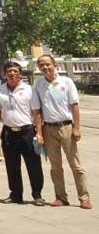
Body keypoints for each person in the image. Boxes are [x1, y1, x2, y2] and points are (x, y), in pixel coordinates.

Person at [32, 54, 91, 209]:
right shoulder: (38, 85)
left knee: (75, 164)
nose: (45, 68)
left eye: (47, 64)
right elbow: (37, 111)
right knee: (55, 166)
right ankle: (61, 197)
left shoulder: (66, 82)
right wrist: (39, 133)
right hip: (48, 128)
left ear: (55, 65)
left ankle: (84, 197)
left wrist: (76, 128)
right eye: (41, 65)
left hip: (66, 127)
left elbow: (74, 106)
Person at [0, 60, 43, 206]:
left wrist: (39, 133)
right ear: (4, 74)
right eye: (9, 72)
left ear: (20, 74)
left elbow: (36, 112)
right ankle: (16, 194)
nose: (12, 74)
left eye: (15, 72)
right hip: (9, 132)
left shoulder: (29, 90)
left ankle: (37, 194)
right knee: (12, 166)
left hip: (27, 131)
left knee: (33, 164)